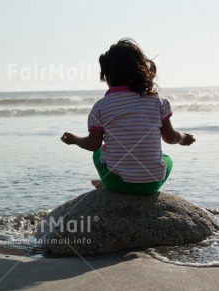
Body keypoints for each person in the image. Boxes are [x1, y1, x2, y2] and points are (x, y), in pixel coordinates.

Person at [61, 38, 195, 195]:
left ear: (107, 76)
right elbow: (171, 138)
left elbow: (93, 144)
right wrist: (184, 137)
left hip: (117, 184)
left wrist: (74, 140)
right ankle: (114, 182)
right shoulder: (158, 101)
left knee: (98, 152)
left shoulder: (101, 106)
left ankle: (105, 182)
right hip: (152, 183)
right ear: (142, 71)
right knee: (167, 159)